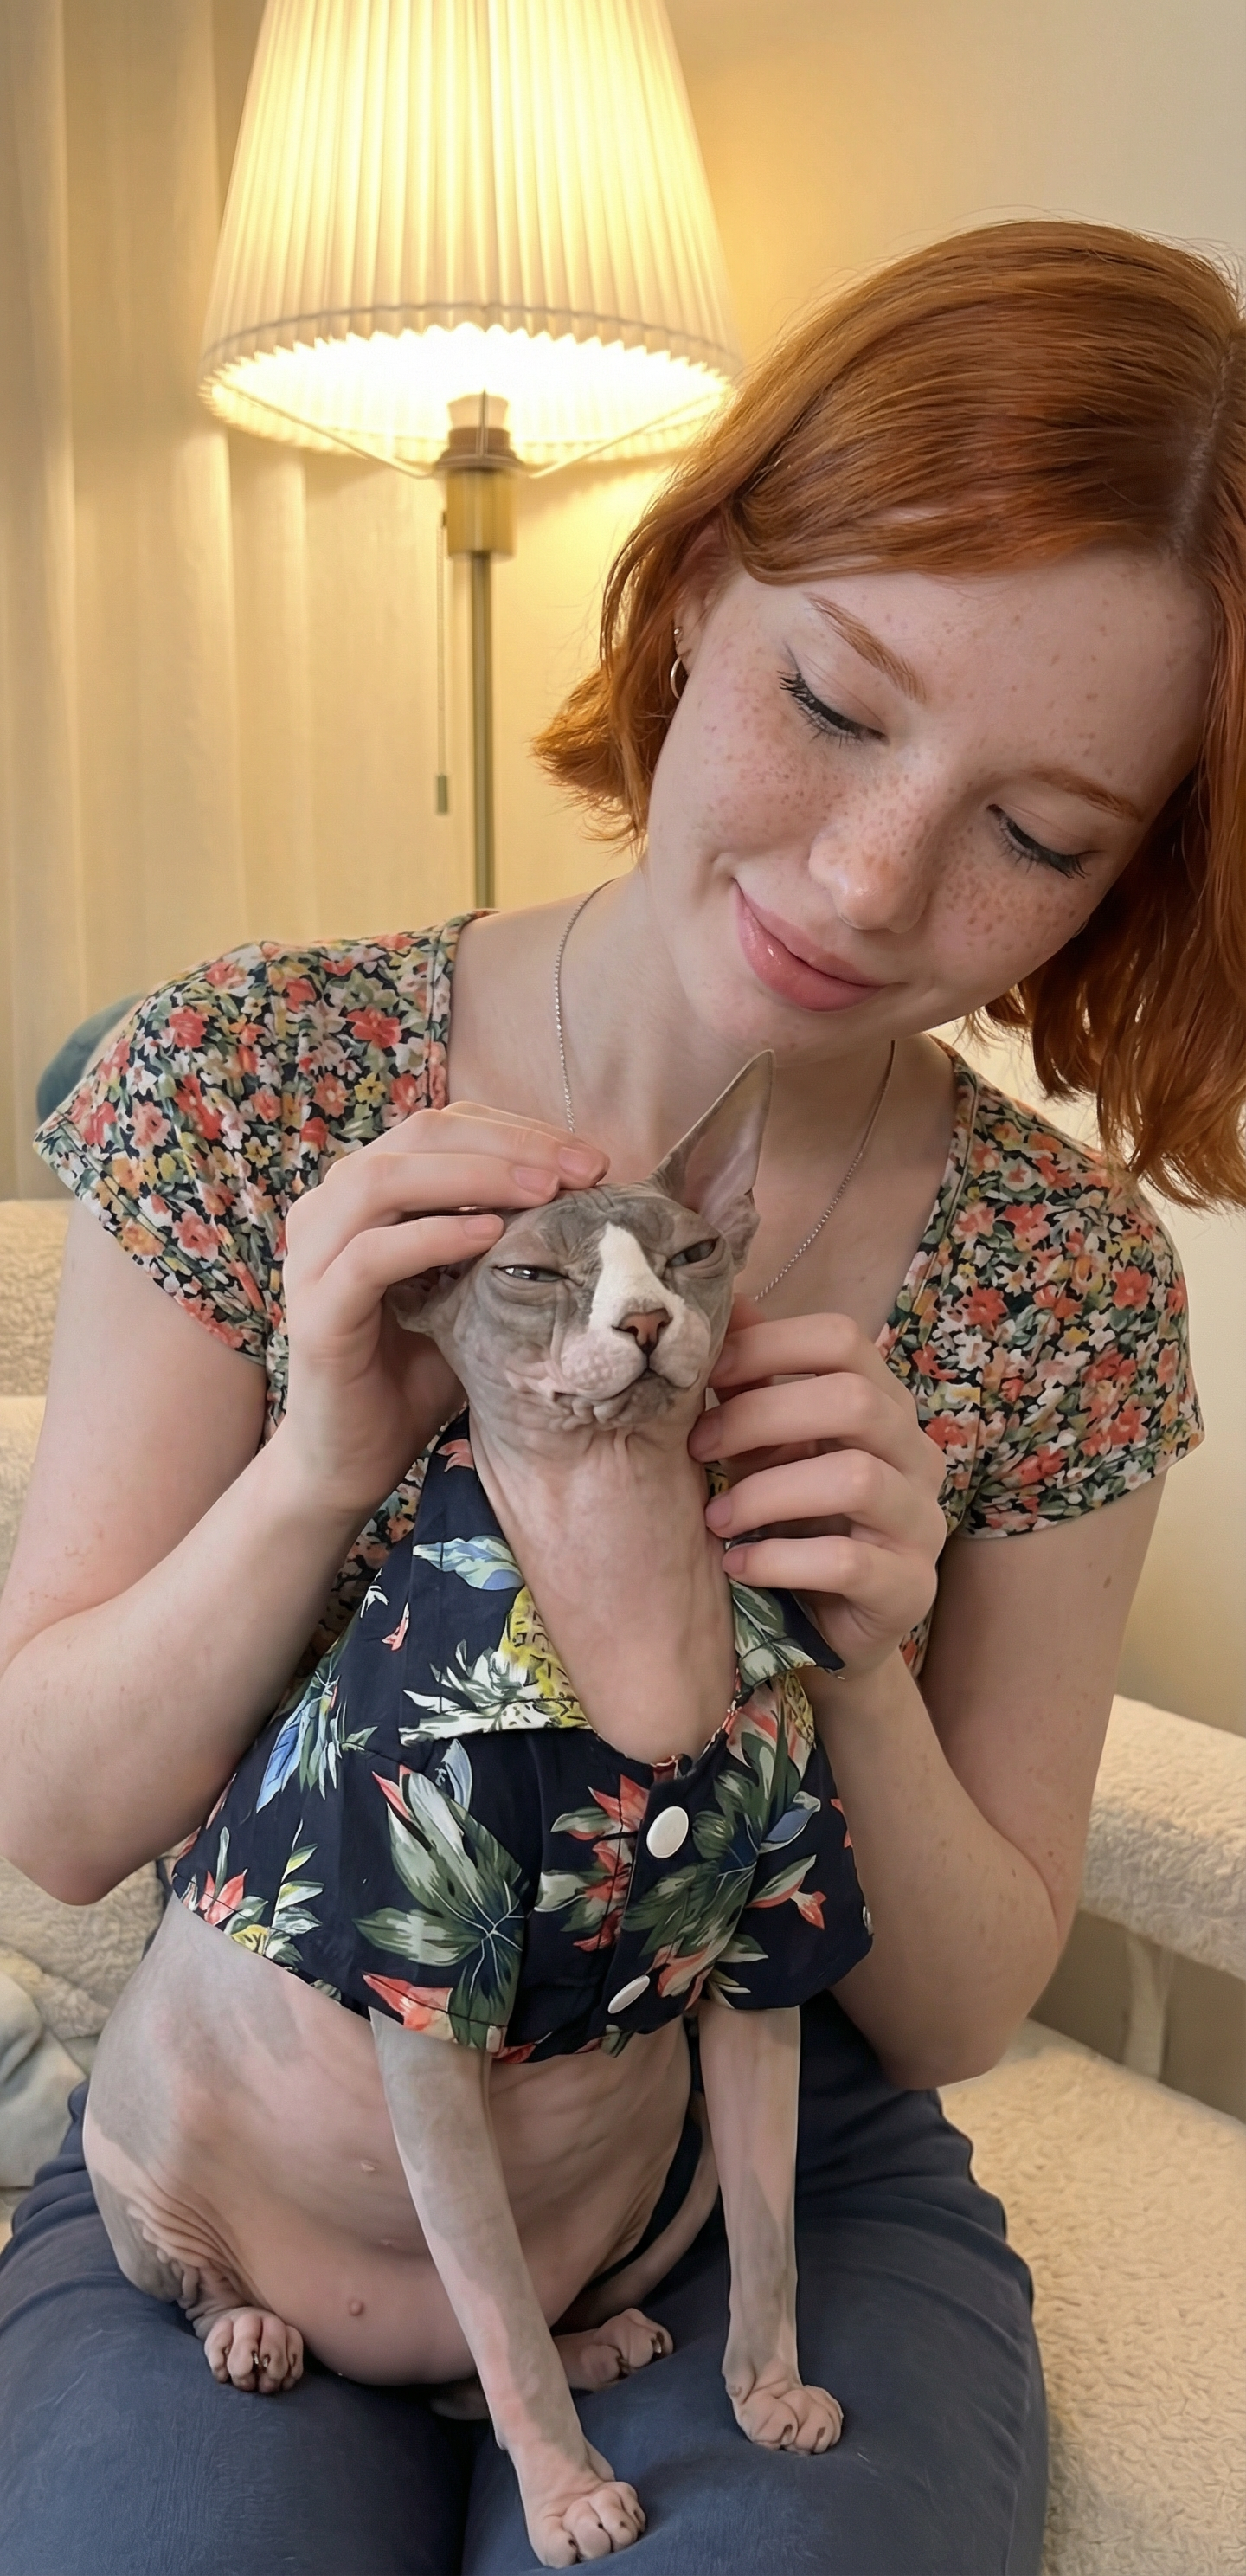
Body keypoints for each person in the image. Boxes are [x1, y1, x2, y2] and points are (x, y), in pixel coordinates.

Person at [0, 216, 1242, 2575]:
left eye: (1039, 836)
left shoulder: (1060, 1278)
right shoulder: (256, 1076)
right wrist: (325, 1462)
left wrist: (859, 1663)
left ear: (1131, 874)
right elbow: (51, 1820)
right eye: (837, 702)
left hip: (753, 2141)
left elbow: (957, 2011)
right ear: (691, 587)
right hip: (262, 2123)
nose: (867, 883)